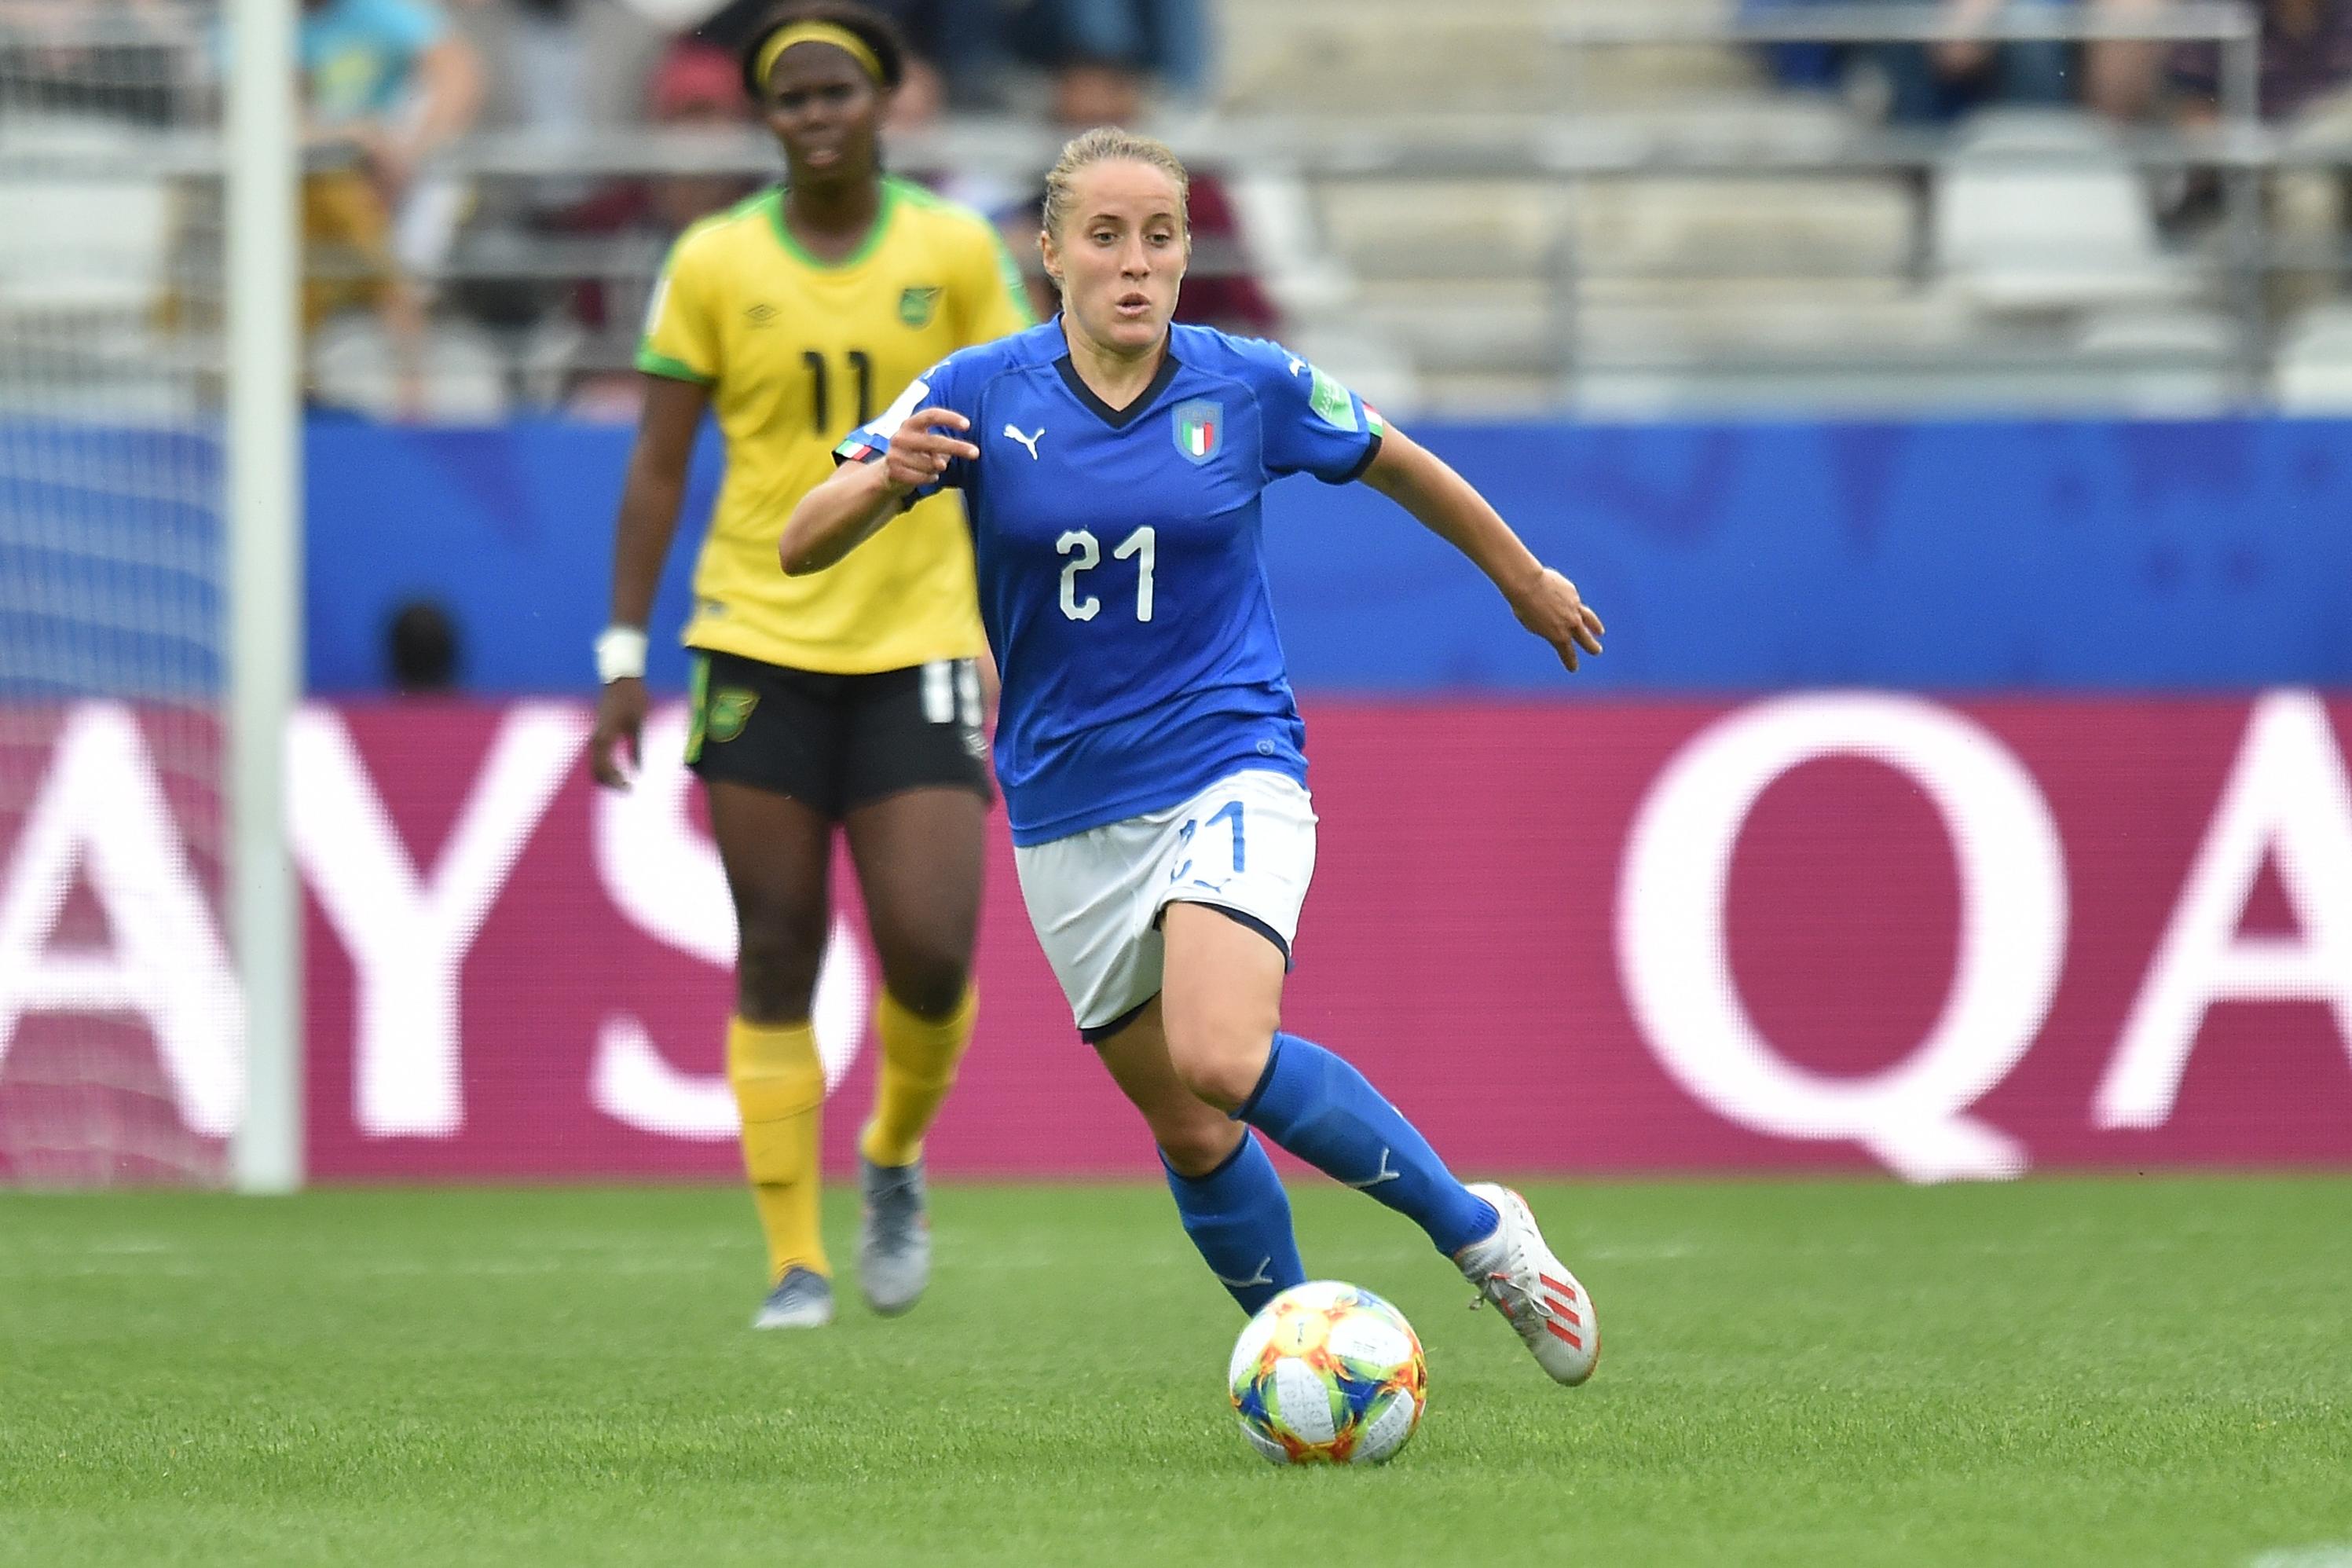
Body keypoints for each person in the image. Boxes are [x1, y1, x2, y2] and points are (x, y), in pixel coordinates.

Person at [782, 128, 1607, 1384]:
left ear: (1184, 254)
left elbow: (1395, 460)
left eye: (1158, 237)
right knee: (1185, 1117)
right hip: (1064, 804)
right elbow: (801, 537)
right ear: (1049, 254)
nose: (1133, 263)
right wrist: (886, 478)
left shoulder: (1246, 384)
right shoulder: (975, 388)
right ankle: (1306, 1364)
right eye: (1103, 238)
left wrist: (1521, 577)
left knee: (1221, 1054)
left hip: (1228, 759)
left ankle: (1479, 1232)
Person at [588, 0, 1035, 1332]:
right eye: (795, 97)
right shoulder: (713, 261)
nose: (819, 114)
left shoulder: (952, 249)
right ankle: (794, 1259)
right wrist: (622, 652)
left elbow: (1020, 443)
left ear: (886, 103)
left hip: (918, 644)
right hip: (755, 639)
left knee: (930, 957)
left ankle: (892, 1155)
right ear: (764, 118)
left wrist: (1019, 638)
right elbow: (660, 465)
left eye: (842, 91)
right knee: (776, 946)